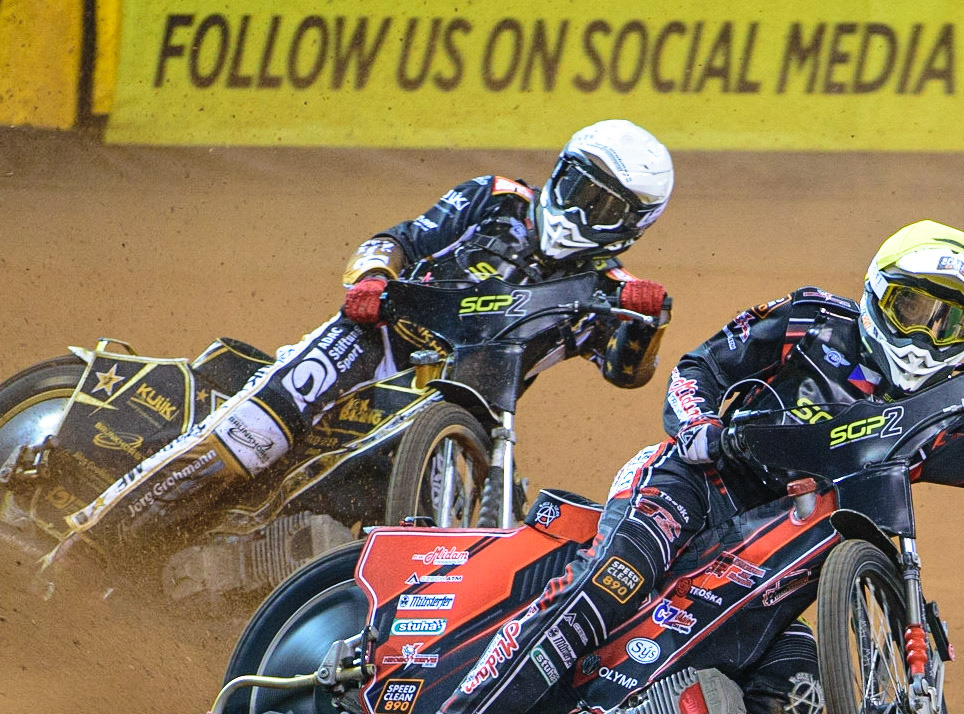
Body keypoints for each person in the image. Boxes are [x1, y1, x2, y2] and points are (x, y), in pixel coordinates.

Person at [407, 220, 964, 714]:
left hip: (772, 565)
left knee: (797, 687)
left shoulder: (940, 410)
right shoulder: (809, 320)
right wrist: (697, 428)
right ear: (877, 295)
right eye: (911, 308)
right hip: (694, 485)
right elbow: (697, 369)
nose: (923, 334)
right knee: (615, 580)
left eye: (948, 321)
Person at [55, 119, 675, 557]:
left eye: (603, 205)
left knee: (496, 523)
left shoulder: (606, 290)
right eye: (575, 187)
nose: (577, 210)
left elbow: (625, 372)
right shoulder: (496, 199)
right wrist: (373, 280)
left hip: (463, 403)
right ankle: (83, 543)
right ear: (558, 171)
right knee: (255, 432)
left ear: (632, 225)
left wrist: (649, 324)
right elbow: (398, 239)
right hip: (373, 343)